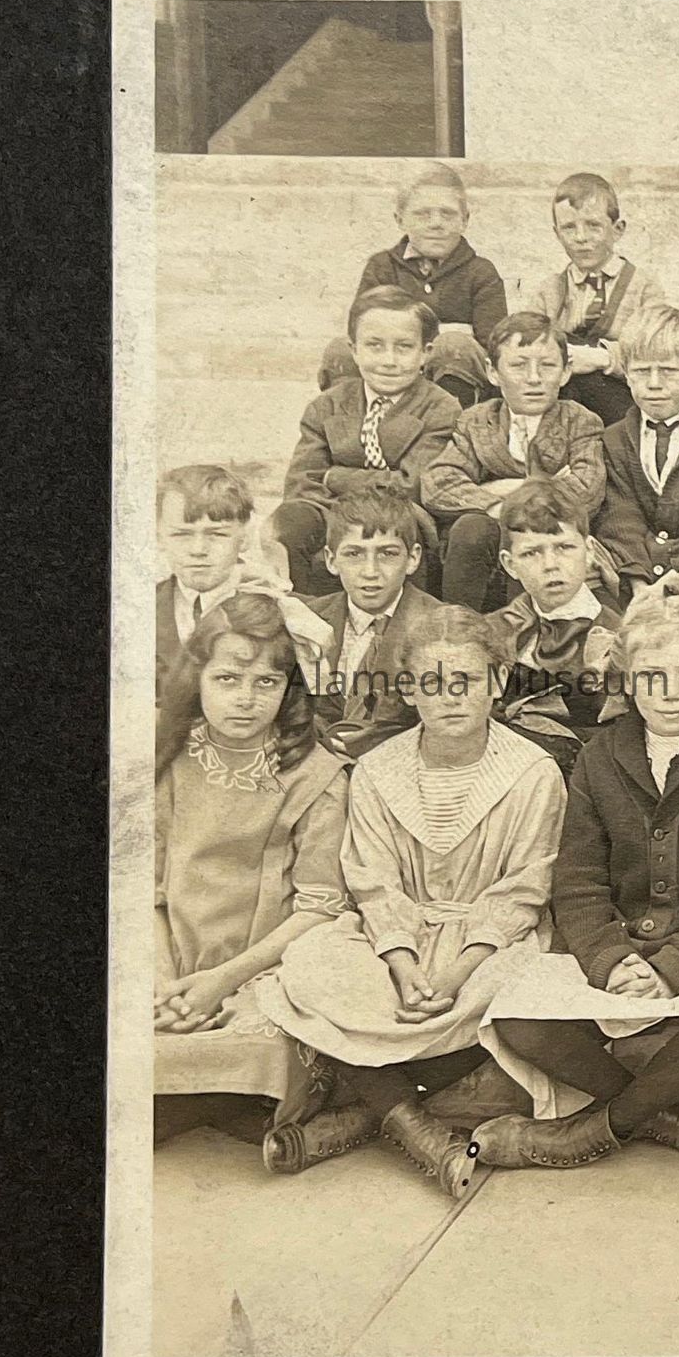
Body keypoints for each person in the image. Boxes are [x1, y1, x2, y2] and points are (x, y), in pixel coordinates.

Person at [476, 592, 679, 1170]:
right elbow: (578, 880)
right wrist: (609, 959)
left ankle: (591, 1131)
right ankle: (671, 1118)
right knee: (517, 1014)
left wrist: (674, 965)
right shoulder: (601, 755)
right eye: (652, 677)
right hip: (618, 942)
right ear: (628, 679)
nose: (671, 693)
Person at [266, 611, 566, 1201]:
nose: (450, 698)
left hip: (488, 944)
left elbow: (524, 890)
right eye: (432, 683)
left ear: (497, 683)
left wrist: (455, 973)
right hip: (396, 940)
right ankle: (421, 1132)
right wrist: (404, 966)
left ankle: (370, 1113)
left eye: (466, 682)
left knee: (517, 990)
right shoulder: (379, 770)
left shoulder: (533, 773)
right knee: (310, 965)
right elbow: (374, 883)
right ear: (407, 690)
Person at [152, 594, 358, 1164]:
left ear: (289, 689)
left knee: (265, 1048)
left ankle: (207, 1096)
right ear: (198, 678)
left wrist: (221, 982)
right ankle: (201, 1096)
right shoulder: (168, 758)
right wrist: (162, 982)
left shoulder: (317, 776)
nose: (245, 698)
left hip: (261, 971)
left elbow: (320, 906)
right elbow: (147, 892)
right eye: (227, 679)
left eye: (267, 682)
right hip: (168, 957)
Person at [274, 288, 459, 597]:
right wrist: (342, 514)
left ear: (425, 352)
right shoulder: (327, 406)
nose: (389, 361)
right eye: (375, 346)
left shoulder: (441, 408)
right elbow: (302, 482)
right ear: (354, 350)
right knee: (292, 519)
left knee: (403, 526)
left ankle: (402, 617)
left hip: (403, 514)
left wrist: (336, 477)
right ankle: (301, 607)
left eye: (404, 347)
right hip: (331, 512)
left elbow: (413, 484)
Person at [421, 311, 609, 612]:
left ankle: (532, 631)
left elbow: (587, 490)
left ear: (565, 371)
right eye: (519, 366)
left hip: (552, 545)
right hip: (489, 549)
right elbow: (439, 483)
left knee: (531, 538)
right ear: (493, 372)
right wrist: (503, 503)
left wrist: (502, 488)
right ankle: (458, 625)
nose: (533, 378)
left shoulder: (580, 421)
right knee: (471, 528)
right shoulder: (477, 421)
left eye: (547, 366)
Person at [322, 163, 505, 406]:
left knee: (452, 346)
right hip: (392, 365)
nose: (436, 223)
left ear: (465, 220)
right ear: (400, 220)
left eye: (447, 214)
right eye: (422, 214)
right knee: (341, 350)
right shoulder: (382, 267)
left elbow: (494, 343)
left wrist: (444, 340)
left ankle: (453, 427)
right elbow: (362, 327)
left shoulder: (481, 272)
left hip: (453, 381)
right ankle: (352, 426)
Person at [590, 306, 679, 595]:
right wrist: (639, 582)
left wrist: (671, 583)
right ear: (627, 374)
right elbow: (621, 519)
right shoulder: (613, 440)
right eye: (642, 371)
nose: (654, 384)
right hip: (631, 578)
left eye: (668, 371)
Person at [487, 480, 626, 773]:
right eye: (531, 553)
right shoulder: (496, 630)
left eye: (564, 547)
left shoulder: (619, 634)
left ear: (589, 551)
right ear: (510, 565)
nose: (550, 564)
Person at [295, 484, 441, 761]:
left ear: (412, 558)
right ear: (331, 560)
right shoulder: (309, 618)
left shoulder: (440, 625)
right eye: (354, 554)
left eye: (387, 554)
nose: (370, 571)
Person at [512, 170, 663, 425]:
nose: (581, 238)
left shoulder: (644, 287)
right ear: (557, 234)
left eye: (593, 226)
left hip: (617, 397)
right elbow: (524, 344)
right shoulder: (548, 291)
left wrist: (602, 358)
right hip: (562, 397)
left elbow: (659, 351)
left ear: (617, 229)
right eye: (569, 228)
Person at [157, 462, 285, 694]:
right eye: (181, 534)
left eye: (216, 534)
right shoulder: (137, 610)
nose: (198, 549)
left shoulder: (284, 611)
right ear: (160, 537)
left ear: (244, 537)